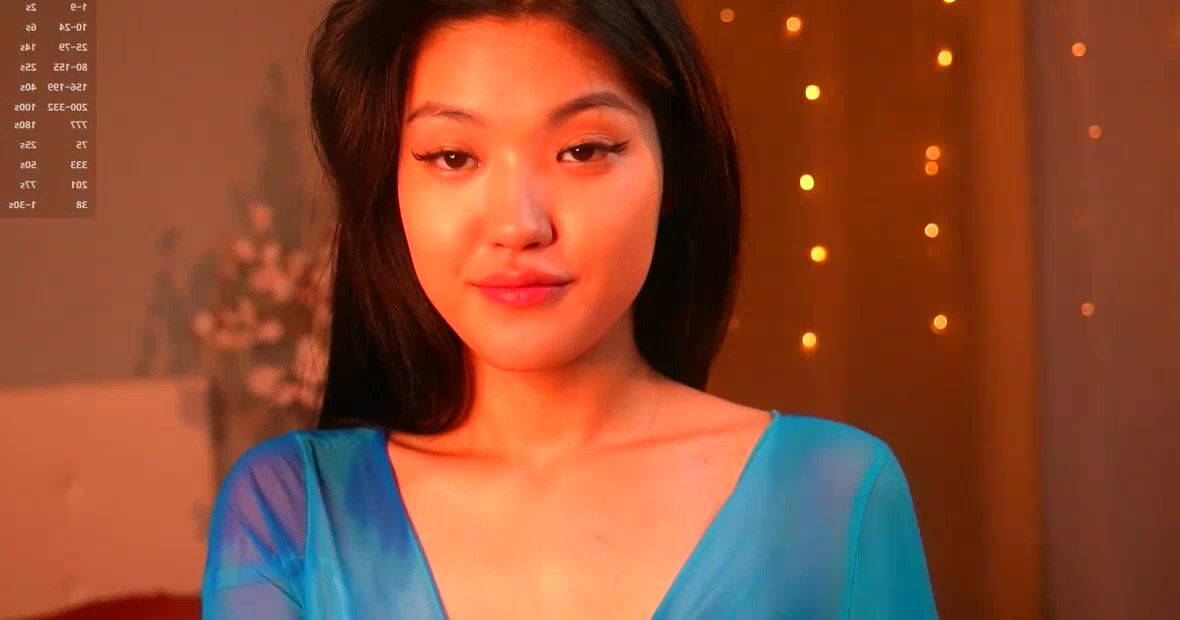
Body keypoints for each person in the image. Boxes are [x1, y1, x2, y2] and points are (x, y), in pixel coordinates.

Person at [200, 0, 939, 617]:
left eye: (583, 150)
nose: (518, 225)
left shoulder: (828, 495)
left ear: (674, 170)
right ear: (391, 190)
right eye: (453, 157)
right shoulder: (294, 514)